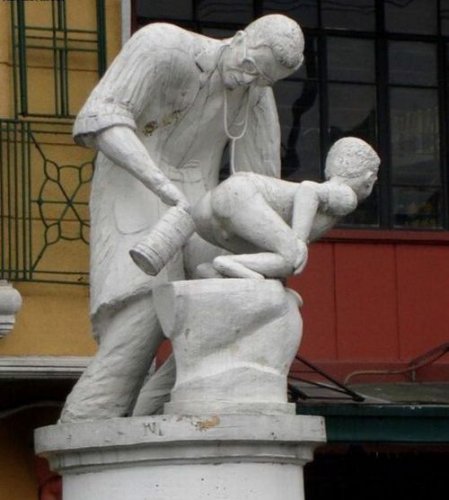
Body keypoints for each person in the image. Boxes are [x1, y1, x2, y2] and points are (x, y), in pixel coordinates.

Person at [59, 14, 305, 422]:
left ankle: (155, 410)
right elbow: (100, 118)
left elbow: (262, 181)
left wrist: (276, 245)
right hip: (134, 181)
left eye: (262, 79)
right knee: (143, 311)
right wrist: (162, 185)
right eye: (249, 66)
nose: (248, 80)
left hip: (199, 200)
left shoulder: (256, 95)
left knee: (241, 296)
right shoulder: (162, 46)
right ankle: (86, 421)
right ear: (239, 39)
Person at [192, 137, 380, 279]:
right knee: (291, 258)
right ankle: (225, 264)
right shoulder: (346, 195)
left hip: (206, 212)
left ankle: (214, 271)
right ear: (369, 179)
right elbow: (308, 190)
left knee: (270, 258)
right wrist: (298, 241)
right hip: (240, 195)